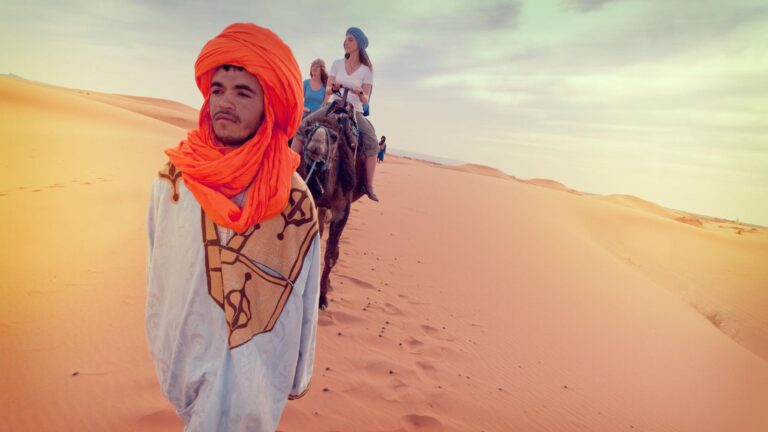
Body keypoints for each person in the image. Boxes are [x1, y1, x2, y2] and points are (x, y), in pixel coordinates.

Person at [146, 23, 321, 432]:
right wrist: (164, 340)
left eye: (243, 92)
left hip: (257, 374)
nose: (225, 102)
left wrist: (298, 371)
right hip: (188, 355)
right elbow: (157, 270)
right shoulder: (173, 179)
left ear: (270, 105)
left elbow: (306, 295)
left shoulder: (294, 199)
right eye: (218, 89)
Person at [291, 27, 380, 202]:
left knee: (372, 141)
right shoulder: (337, 64)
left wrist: (360, 92)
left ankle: (368, 185)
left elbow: (366, 99)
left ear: (359, 45)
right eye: (345, 39)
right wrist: (335, 88)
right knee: (303, 126)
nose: (346, 43)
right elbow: (329, 89)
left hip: (354, 110)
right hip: (334, 105)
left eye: (350, 40)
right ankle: (289, 167)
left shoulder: (367, 70)